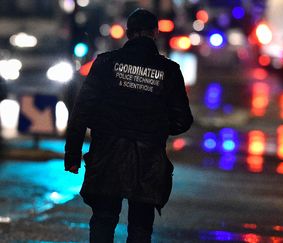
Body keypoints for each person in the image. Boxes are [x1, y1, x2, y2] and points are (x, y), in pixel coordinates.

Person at [64, 8, 193, 243]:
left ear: (127, 33)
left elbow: (81, 111)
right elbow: (183, 119)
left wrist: (73, 156)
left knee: (103, 220)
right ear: (155, 33)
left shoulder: (105, 63)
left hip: (106, 156)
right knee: (140, 227)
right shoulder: (169, 71)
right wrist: (157, 128)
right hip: (149, 162)